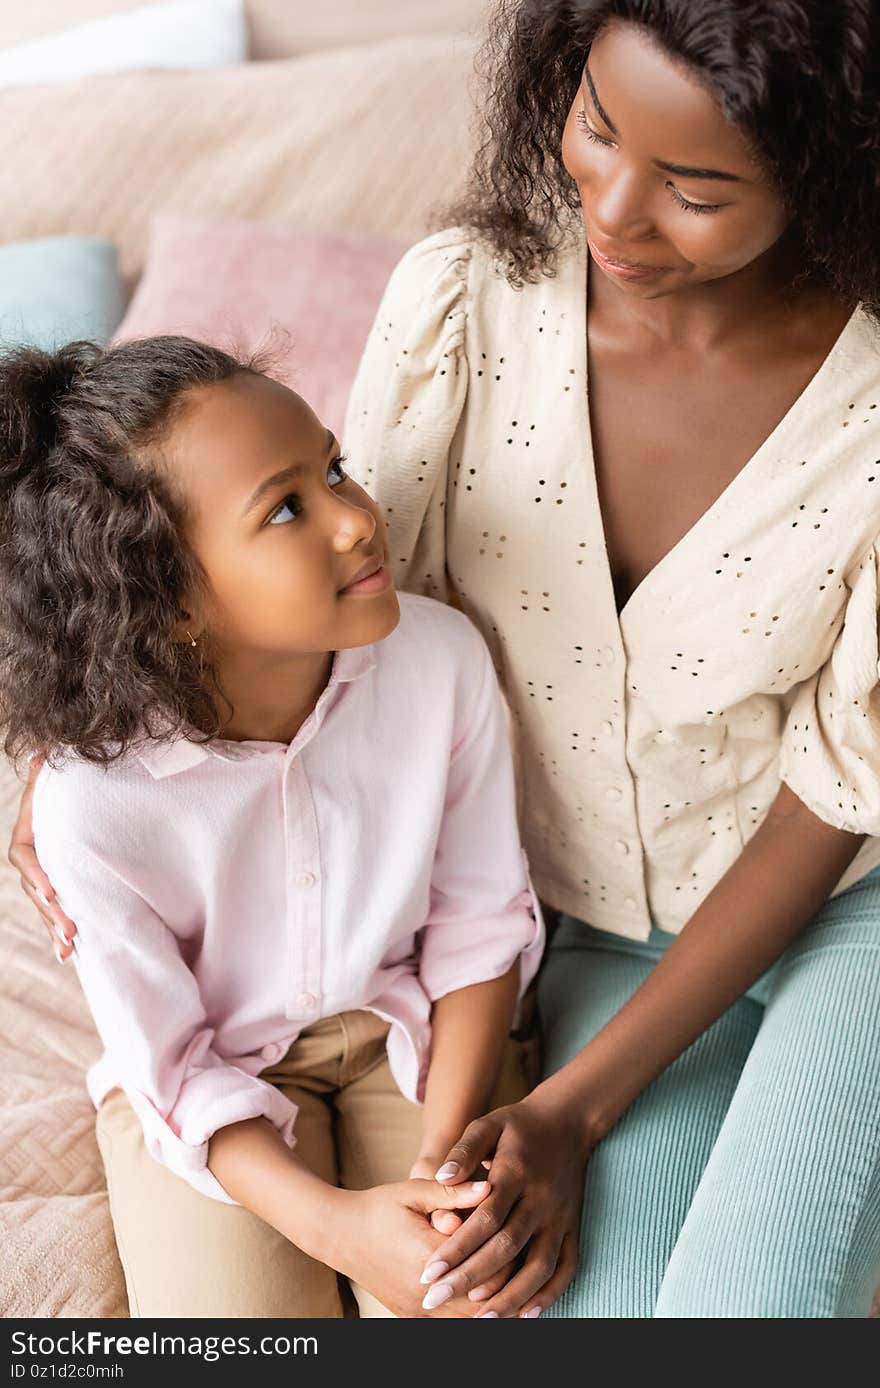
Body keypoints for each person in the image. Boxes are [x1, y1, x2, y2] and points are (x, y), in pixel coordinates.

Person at [13, 0, 880, 1319]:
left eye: (696, 189)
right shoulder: (469, 300)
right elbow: (324, 597)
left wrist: (570, 1114)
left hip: (843, 905)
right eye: (596, 132)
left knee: (743, 1308)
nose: (614, 213)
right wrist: (74, 744)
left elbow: (842, 785)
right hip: (587, 929)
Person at [0, 335, 543, 1318]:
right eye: (286, 508)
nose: (352, 519)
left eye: (333, 467)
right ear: (165, 604)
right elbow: (169, 1063)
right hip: (213, 1092)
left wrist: (437, 1165)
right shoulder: (91, 803)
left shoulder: (441, 662)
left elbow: (478, 924)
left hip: (414, 1034)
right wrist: (337, 1227)